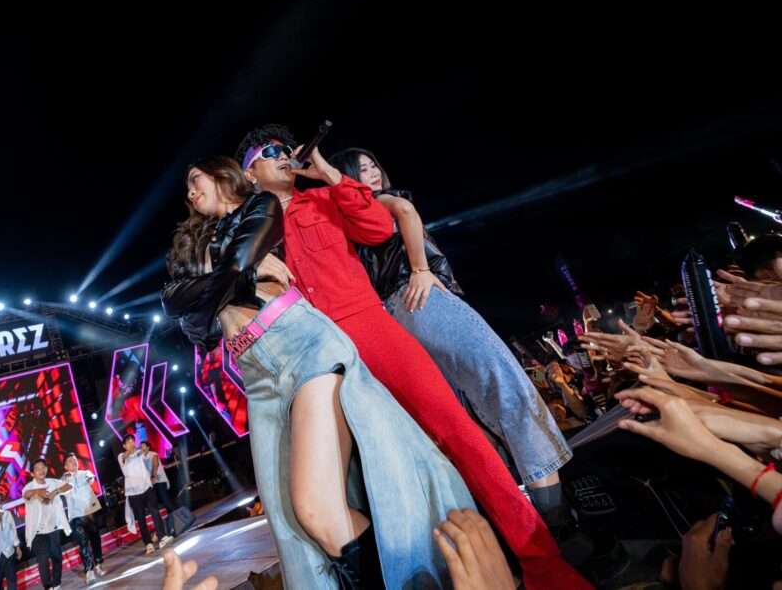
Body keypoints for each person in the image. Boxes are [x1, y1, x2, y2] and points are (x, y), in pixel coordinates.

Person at [234, 125, 590, 590]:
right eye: (269, 152)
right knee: (366, 478)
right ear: (249, 174)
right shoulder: (246, 234)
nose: (283, 154)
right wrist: (250, 263)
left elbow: (378, 227)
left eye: (286, 147)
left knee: (457, 433)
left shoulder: (323, 198)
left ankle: (542, 561)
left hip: (369, 328)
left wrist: (327, 173)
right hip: (313, 355)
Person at [162, 156, 478, 589]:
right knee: (291, 524)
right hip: (254, 373)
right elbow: (183, 315)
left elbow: (229, 269)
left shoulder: (259, 207)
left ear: (222, 175)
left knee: (315, 509)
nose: (190, 192)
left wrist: (226, 277)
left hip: (300, 344)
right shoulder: (196, 241)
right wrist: (243, 277)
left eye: (195, 179)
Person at [330, 146, 575, 527]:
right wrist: (420, 268)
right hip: (421, 300)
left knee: (465, 415)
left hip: (394, 317)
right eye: (361, 168)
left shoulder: (348, 222)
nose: (373, 171)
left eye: (374, 163)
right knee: (506, 383)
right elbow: (406, 210)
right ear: (347, 178)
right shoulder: (379, 201)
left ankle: (517, 518)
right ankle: (558, 517)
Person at [23, 458, 72, 590]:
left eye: (43, 467)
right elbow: (26, 495)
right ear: (32, 473)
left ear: (47, 469)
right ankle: (48, 587)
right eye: (37, 469)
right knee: (43, 560)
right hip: (38, 532)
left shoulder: (52, 482)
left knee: (57, 558)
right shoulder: (29, 487)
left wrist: (55, 492)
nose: (41, 471)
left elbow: (69, 486)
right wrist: (37, 491)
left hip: (53, 528)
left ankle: (56, 583)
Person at [118, 434, 172, 554]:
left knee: (155, 512)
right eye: (128, 442)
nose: (131, 443)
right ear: (124, 446)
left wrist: (143, 450)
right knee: (141, 519)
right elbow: (125, 456)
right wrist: (131, 450)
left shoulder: (140, 453)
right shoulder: (121, 456)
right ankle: (148, 543)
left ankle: (162, 536)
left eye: (132, 441)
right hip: (133, 493)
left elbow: (150, 457)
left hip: (147, 488)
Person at [61, 453, 107, 583]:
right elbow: (62, 489)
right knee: (83, 543)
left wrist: (88, 478)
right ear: (66, 466)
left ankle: (98, 563)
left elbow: (91, 478)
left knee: (95, 539)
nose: (74, 462)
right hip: (76, 516)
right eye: (70, 461)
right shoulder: (64, 478)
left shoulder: (85, 473)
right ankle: (89, 571)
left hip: (90, 512)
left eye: (74, 459)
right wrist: (67, 479)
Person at [140, 440, 178, 537]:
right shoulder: (142, 459)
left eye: (143, 446)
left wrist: (153, 477)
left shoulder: (153, 454)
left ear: (148, 447)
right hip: (152, 484)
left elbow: (155, 465)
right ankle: (171, 526)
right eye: (140, 446)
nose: (141, 448)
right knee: (157, 505)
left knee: (166, 501)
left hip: (159, 481)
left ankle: (181, 516)